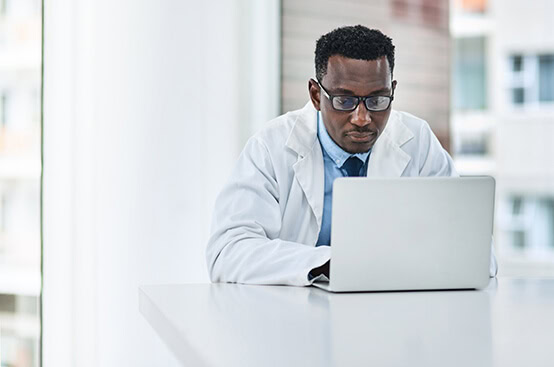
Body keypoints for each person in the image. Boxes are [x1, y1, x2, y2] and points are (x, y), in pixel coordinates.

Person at [206, 25, 497, 286]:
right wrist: (331, 264)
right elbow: (228, 251)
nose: (362, 118)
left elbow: (476, 254)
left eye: (377, 100)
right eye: (345, 100)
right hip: (294, 323)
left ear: (392, 91)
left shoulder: (417, 141)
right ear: (316, 95)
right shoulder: (272, 146)